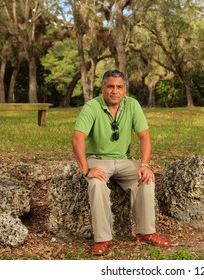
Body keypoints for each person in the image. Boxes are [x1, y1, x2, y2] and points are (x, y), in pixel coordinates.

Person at [71, 69, 171, 255]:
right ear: (103, 89)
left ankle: (146, 232)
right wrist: (86, 170)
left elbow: (144, 137)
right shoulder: (92, 106)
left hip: (124, 160)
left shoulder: (132, 105)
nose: (114, 91)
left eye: (119, 87)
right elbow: (77, 138)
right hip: (98, 159)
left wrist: (145, 165)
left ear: (125, 90)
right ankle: (103, 238)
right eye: (110, 87)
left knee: (146, 179)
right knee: (96, 184)